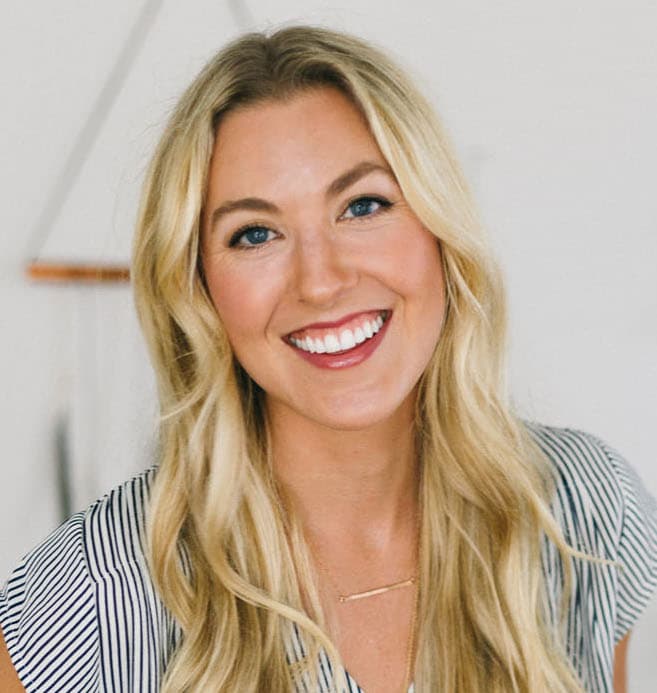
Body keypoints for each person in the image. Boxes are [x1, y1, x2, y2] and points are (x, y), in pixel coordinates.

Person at [1, 25, 656, 693]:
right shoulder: (92, 595)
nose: (320, 281)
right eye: (255, 234)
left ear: (440, 230)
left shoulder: (586, 511)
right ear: (199, 288)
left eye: (362, 205)